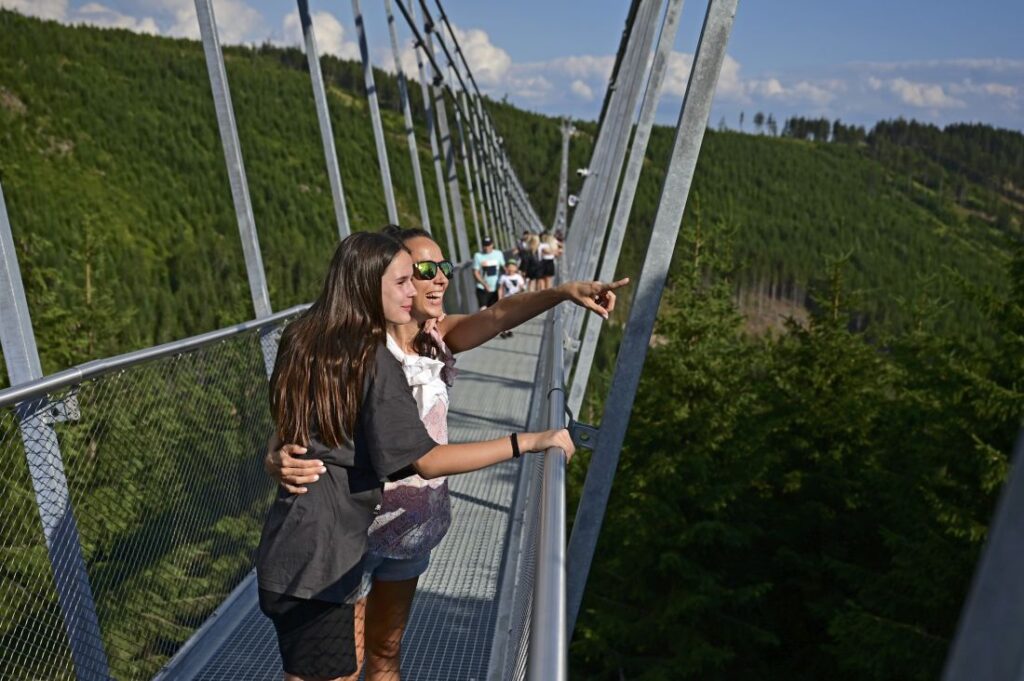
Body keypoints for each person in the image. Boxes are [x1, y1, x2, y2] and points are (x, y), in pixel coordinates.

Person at [266, 228, 630, 681]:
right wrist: (276, 453)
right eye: (422, 271)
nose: (440, 278)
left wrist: (561, 292)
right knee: (343, 665)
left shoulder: (433, 339)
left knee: (385, 651)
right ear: (389, 278)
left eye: (442, 267)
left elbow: (497, 314)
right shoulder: (354, 352)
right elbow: (303, 422)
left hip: (411, 528)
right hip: (353, 531)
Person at [472, 235, 505, 309]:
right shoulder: (478, 256)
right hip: (482, 288)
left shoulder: (498, 254)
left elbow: (503, 268)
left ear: (492, 244)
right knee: (483, 310)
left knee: (494, 310)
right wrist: (484, 284)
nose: (487, 247)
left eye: (489, 245)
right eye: (485, 245)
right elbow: (475, 272)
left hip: (495, 288)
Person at [497, 260, 527, 338]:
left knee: (513, 316)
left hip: (516, 298)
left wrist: (522, 290)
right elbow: (500, 288)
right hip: (507, 298)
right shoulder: (503, 277)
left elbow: (522, 287)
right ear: (506, 268)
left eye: (512, 267)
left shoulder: (518, 277)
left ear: (515, 268)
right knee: (506, 315)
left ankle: (508, 329)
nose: (510, 269)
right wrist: (500, 298)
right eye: (508, 267)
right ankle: (504, 330)